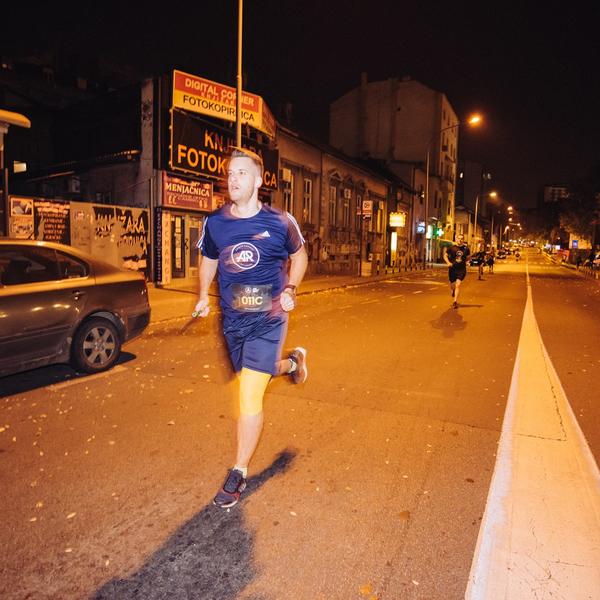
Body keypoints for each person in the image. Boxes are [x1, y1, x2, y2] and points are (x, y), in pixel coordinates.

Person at [194, 147, 308, 509]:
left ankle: (238, 472)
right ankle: (293, 363)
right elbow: (208, 259)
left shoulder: (281, 222)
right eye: (230, 173)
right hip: (233, 321)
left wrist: (291, 288)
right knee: (255, 377)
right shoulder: (215, 223)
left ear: (258, 181)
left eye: (241, 173)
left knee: (248, 395)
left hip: (269, 318)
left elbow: (300, 256)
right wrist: (202, 295)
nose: (233, 179)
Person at [443, 234, 470, 308]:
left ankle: (455, 301)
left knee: (458, 284)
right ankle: (453, 291)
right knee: (452, 285)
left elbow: (468, 257)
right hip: (452, 268)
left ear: (463, 240)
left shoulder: (466, 249)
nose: (460, 240)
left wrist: (467, 262)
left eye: (462, 239)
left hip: (461, 269)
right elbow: (445, 255)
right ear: (456, 239)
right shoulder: (451, 248)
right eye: (459, 238)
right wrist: (448, 263)